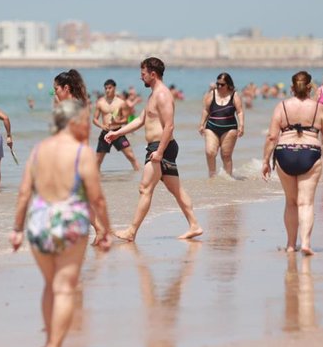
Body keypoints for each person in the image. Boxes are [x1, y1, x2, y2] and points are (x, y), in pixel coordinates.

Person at [10, 99, 111, 347]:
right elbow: (97, 198)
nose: (88, 125)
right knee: (65, 288)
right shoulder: (82, 152)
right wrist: (107, 230)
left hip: (39, 223)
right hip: (70, 225)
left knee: (49, 285)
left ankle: (48, 343)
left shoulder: (37, 150)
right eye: (85, 120)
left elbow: (23, 194)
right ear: (74, 122)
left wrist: (17, 229)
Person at [105, 57, 203, 241]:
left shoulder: (162, 95)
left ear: (153, 74)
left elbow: (169, 126)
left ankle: (131, 232)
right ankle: (194, 225)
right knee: (176, 190)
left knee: (145, 188)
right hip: (160, 147)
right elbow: (141, 120)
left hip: (160, 147)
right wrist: (117, 133)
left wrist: (158, 153)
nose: (141, 78)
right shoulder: (153, 95)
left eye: (143, 74)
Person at [262, 71, 323, 255]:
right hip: (309, 153)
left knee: (291, 202)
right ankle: (305, 243)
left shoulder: (282, 106)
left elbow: (272, 137)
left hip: (284, 153)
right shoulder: (318, 108)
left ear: (292, 88)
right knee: (306, 203)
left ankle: (289, 245)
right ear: (310, 87)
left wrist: (265, 161)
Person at [198, 72, 245, 177]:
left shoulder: (234, 95)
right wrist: (201, 124)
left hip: (229, 129)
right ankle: (212, 176)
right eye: (218, 84)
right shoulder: (212, 94)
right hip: (211, 127)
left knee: (226, 155)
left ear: (228, 84)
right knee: (210, 152)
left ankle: (228, 178)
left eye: (222, 84)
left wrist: (241, 126)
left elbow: (240, 111)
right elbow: (206, 110)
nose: (219, 86)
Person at [93, 79, 140, 171]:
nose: (107, 90)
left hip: (118, 132)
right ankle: (96, 179)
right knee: (98, 160)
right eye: (106, 88)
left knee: (130, 156)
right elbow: (94, 119)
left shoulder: (121, 103)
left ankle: (139, 175)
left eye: (109, 88)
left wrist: (116, 122)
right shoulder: (100, 102)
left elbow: (125, 120)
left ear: (114, 88)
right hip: (105, 133)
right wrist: (101, 126)